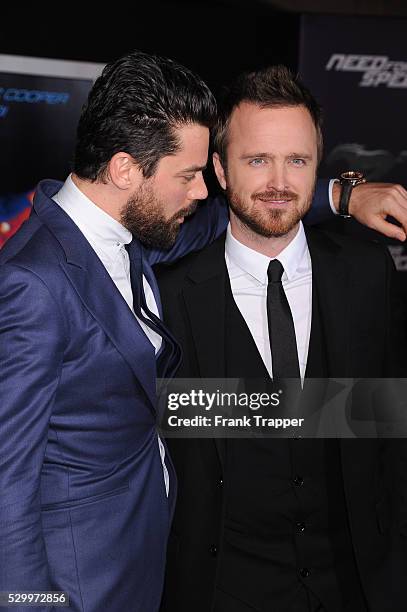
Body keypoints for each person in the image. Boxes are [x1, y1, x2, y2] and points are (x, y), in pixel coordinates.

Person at [0, 50, 405, 612]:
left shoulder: (136, 237)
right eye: (190, 176)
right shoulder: (40, 281)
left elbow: (385, 427)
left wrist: (340, 194)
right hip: (108, 581)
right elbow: (8, 486)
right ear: (125, 169)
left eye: (298, 160)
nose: (198, 195)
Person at [157, 66, 407, 612]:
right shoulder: (171, 294)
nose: (278, 182)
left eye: (297, 160)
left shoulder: (367, 273)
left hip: (357, 587)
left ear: (319, 167)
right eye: (256, 160)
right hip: (221, 590)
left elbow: (389, 432)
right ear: (220, 169)